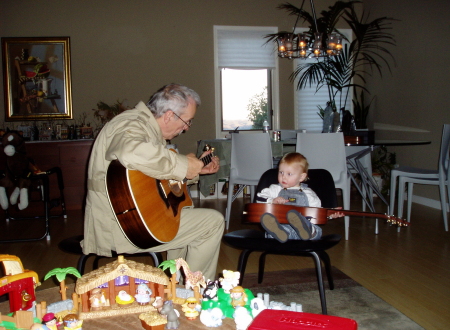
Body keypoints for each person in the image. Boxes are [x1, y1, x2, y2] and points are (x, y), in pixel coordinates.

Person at [82, 83, 224, 281]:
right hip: (121, 225)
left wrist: (195, 172)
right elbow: (129, 152)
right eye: (187, 121)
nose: (186, 128)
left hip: (129, 220)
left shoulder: (146, 130)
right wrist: (183, 164)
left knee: (182, 213)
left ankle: (178, 290)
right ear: (168, 115)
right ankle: (196, 293)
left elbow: (153, 184)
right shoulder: (131, 124)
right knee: (213, 223)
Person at [256, 152, 343, 243]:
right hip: (283, 226)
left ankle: (304, 228)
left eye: (289, 174)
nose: (283, 177)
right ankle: (279, 233)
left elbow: (317, 212)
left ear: (301, 177)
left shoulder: (308, 193)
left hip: (306, 228)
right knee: (275, 232)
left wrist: (329, 214)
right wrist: (272, 200)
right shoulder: (275, 189)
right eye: (281, 172)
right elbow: (259, 199)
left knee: (317, 231)